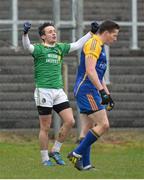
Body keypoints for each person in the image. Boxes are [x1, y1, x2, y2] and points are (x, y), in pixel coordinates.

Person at [22, 21, 98, 166]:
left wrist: (91, 32)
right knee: (45, 127)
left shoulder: (59, 48)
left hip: (58, 91)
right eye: (50, 31)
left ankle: (55, 150)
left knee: (70, 121)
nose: (54, 33)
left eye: (54, 31)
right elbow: (27, 46)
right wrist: (25, 33)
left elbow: (76, 45)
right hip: (43, 91)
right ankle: (45, 159)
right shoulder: (38, 49)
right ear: (43, 37)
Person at [67, 20, 120, 170]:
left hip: (90, 89)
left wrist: (107, 94)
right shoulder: (93, 44)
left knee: (88, 127)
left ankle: (85, 164)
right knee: (104, 125)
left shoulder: (100, 46)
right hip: (87, 90)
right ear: (106, 33)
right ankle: (76, 154)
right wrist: (102, 92)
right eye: (114, 35)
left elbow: (99, 74)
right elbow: (90, 71)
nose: (115, 39)